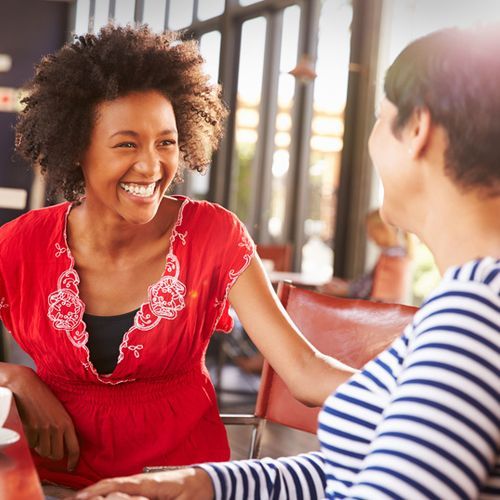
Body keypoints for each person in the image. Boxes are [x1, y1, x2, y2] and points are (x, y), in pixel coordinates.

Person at [74, 25, 500, 500]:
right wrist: (205, 483)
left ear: (417, 128)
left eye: (380, 118)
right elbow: (348, 470)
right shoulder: (472, 306)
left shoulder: (475, 316)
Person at [0, 25, 354, 490]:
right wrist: (17, 379)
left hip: (181, 484)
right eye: (126, 143)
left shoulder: (215, 234)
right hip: (54, 484)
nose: (151, 166)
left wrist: (423, 391)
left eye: (165, 143)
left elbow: (305, 372)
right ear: (76, 149)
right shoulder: (20, 244)